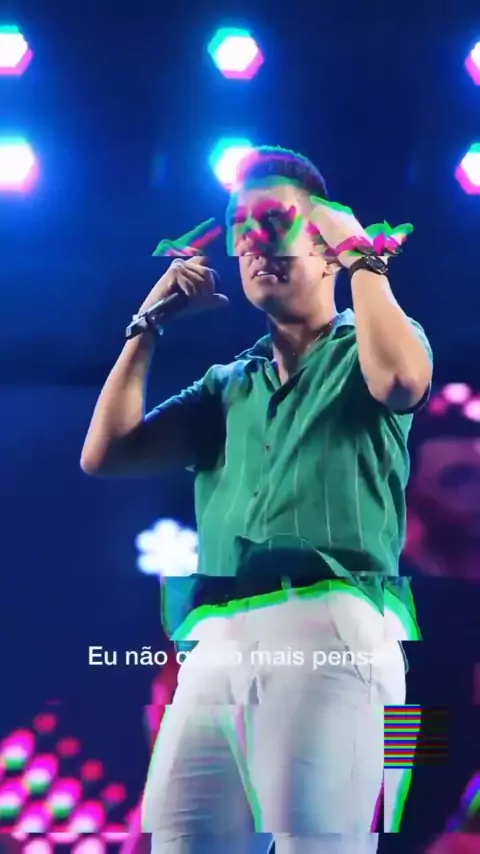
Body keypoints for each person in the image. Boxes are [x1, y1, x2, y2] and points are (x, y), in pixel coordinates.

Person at [81, 146, 433, 854]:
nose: (254, 243)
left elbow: (401, 381)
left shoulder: (370, 345)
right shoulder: (226, 385)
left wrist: (363, 258)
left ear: (325, 246)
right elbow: (106, 452)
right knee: (183, 841)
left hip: (337, 623)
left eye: (276, 222)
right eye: (241, 228)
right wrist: (147, 324)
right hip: (216, 638)